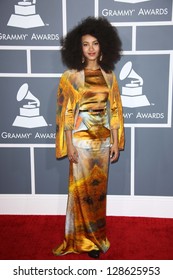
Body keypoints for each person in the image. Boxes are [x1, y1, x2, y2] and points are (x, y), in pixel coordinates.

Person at [53, 16, 124, 259]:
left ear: (103, 45)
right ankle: (79, 240)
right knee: (79, 192)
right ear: (79, 48)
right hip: (81, 143)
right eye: (86, 44)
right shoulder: (71, 77)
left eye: (95, 43)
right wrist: (69, 144)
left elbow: (113, 111)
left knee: (97, 194)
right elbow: (66, 114)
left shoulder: (110, 76)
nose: (91, 48)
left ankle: (95, 238)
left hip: (102, 143)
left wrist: (115, 142)